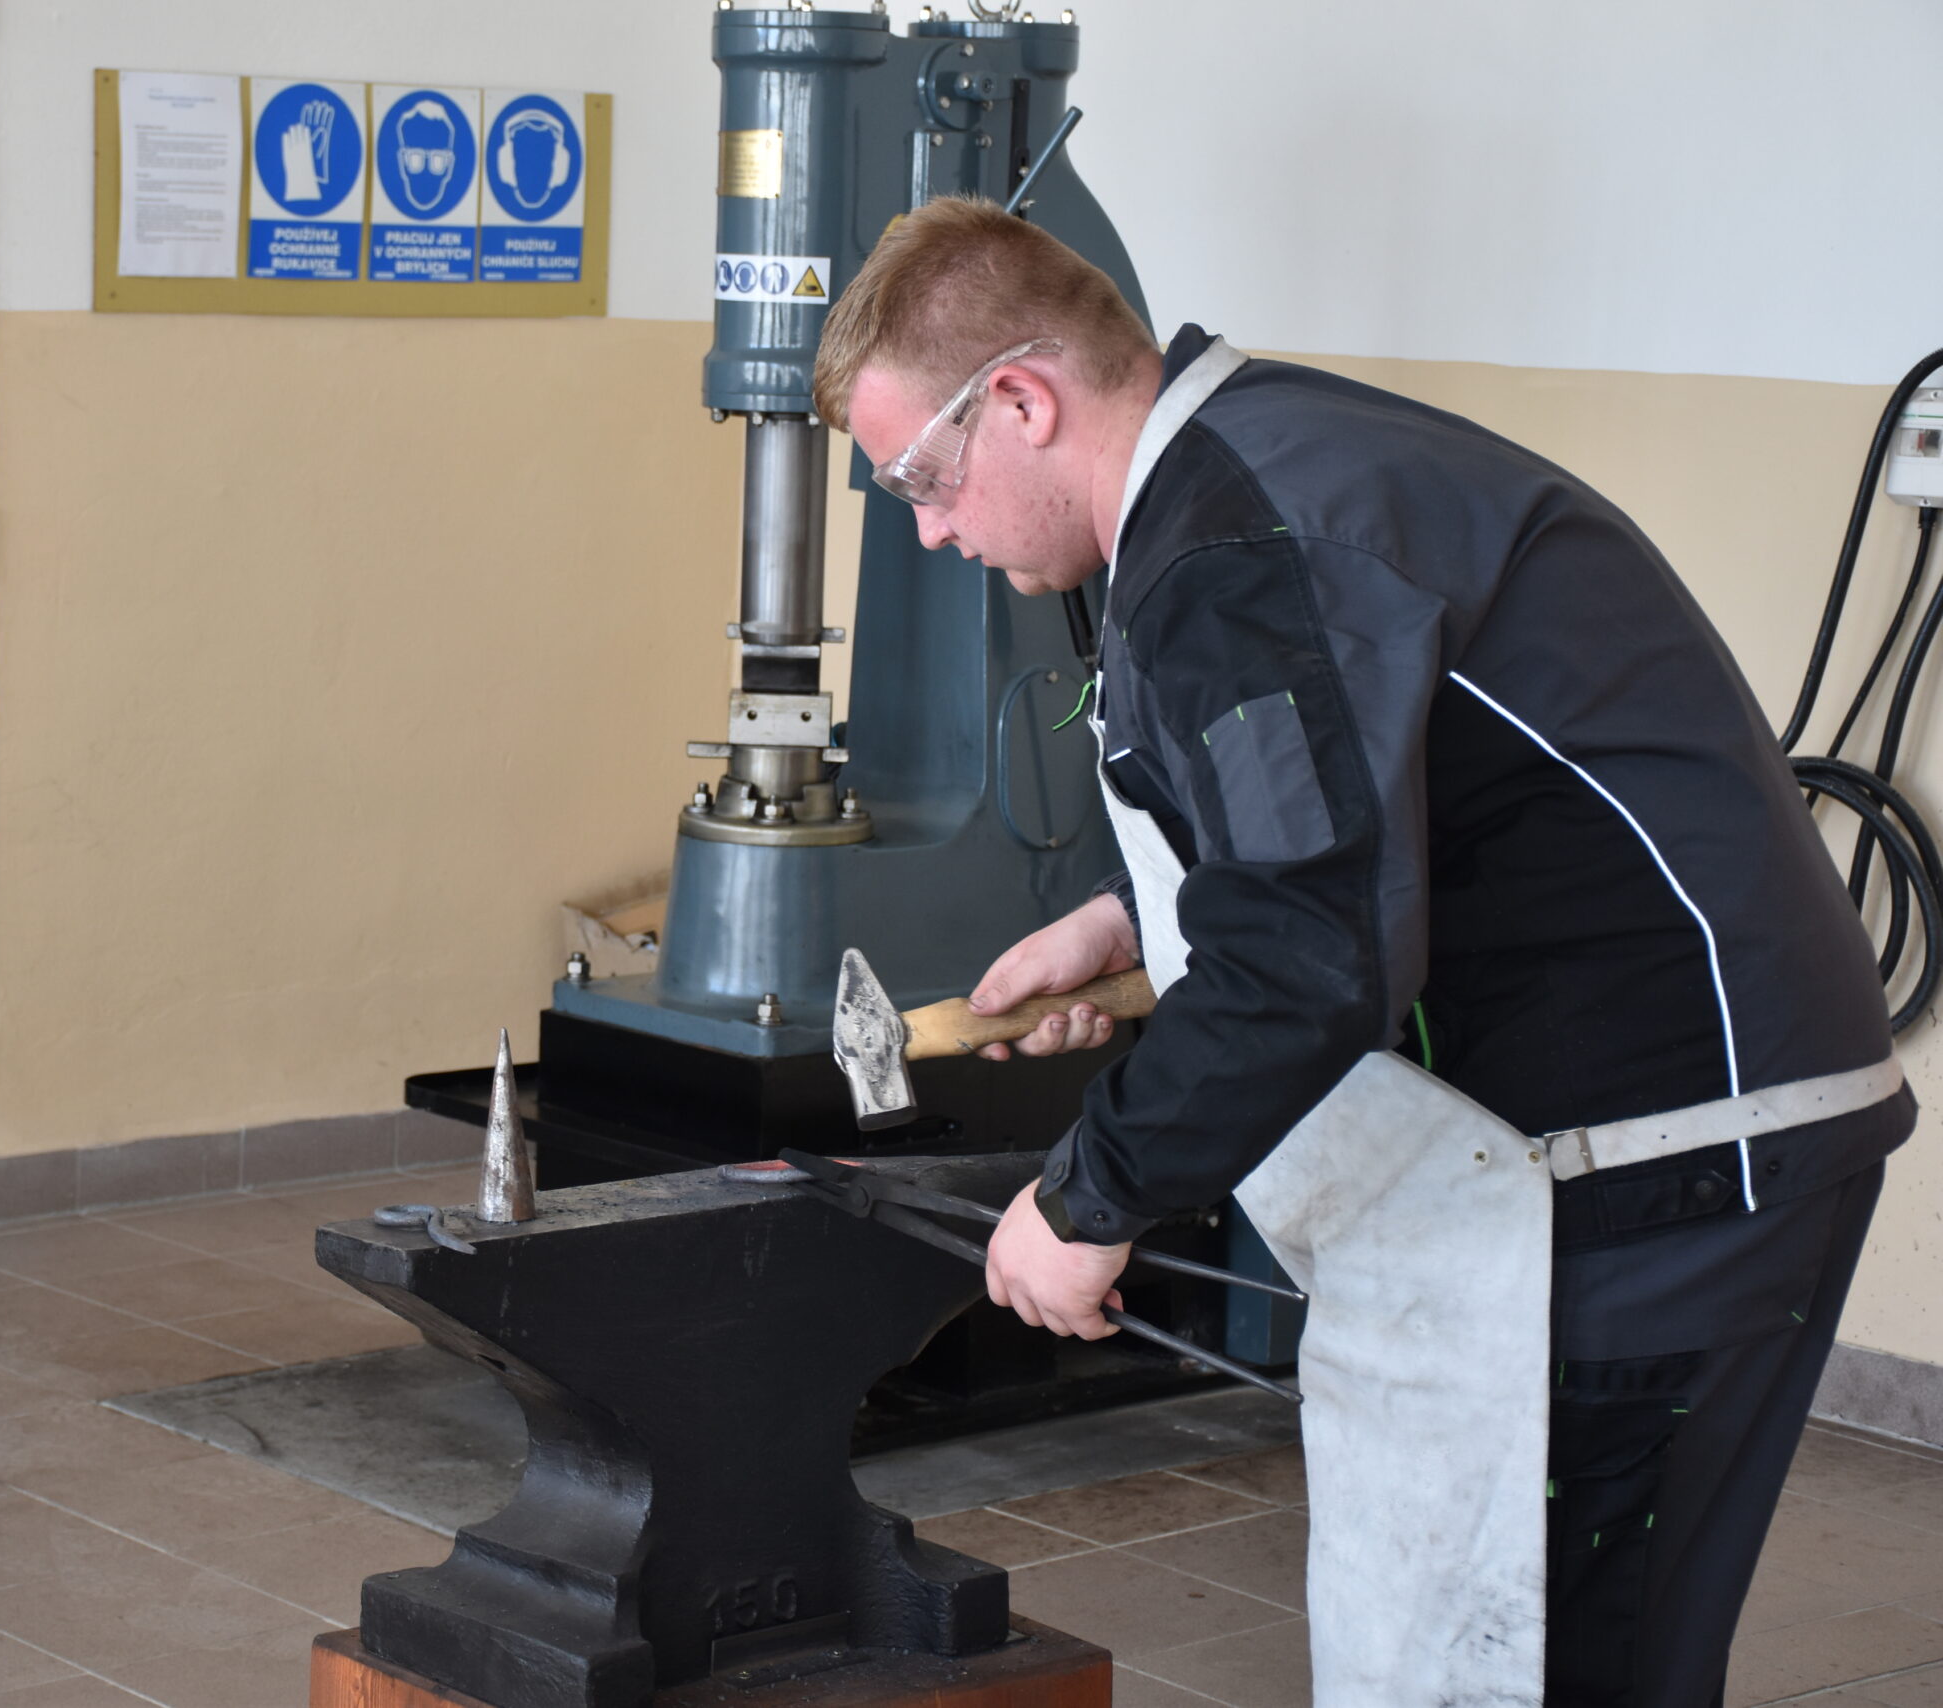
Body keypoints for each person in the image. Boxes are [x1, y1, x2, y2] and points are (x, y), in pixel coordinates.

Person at [812, 194, 1913, 1708]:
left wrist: (1087, 1198)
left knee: (1565, 1668)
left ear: (1020, 400)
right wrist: (1131, 924)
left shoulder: (1236, 550)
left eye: (922, 481)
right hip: (1663, 1132)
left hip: (1670, 1160)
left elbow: (1308, 950)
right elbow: (1352, 811)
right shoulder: (1249, 468)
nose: (932, 530)